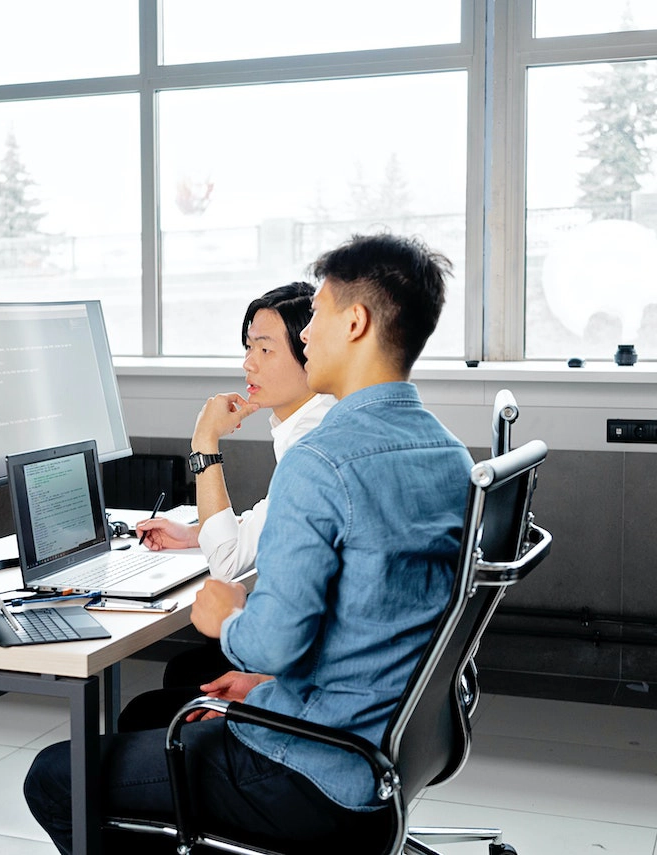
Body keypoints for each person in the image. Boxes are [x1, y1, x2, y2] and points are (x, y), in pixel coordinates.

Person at [24, 233, 473, 853]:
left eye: (314, 316)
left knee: (55, 777)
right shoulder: (450, 454)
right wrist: (268, 687)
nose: (307, 333)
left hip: (312, 769)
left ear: (356, 322)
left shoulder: (322, 459)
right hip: (383, 750)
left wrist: (227, 618)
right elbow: (379, 625)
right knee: (149, 721)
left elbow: (273, 640)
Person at [119, 282, 335, 732]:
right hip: (319, 656)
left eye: (265, 349)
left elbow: (228, 564)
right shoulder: (319, 423)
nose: (248, 363)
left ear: (309, 352)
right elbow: (274, 522)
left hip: (311, 677)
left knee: (150, 706)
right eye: (247, 346)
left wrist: (205, 442)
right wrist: (196, 533)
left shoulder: (312, 445)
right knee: (185, 671)